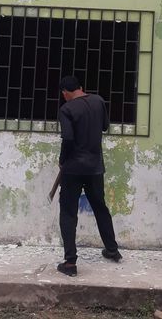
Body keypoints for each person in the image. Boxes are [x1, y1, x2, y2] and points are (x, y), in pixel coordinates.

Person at [56, 75, 122, 276]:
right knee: (100, 208)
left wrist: (62, 160)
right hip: (95, 168)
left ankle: (70, 263)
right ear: (81, 87)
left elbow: (68, 138)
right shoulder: (98, 101)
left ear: (65, 93)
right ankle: (112, 250)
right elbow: (104, 126)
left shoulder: (66, 109)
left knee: (68, 213)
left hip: (73, 169)